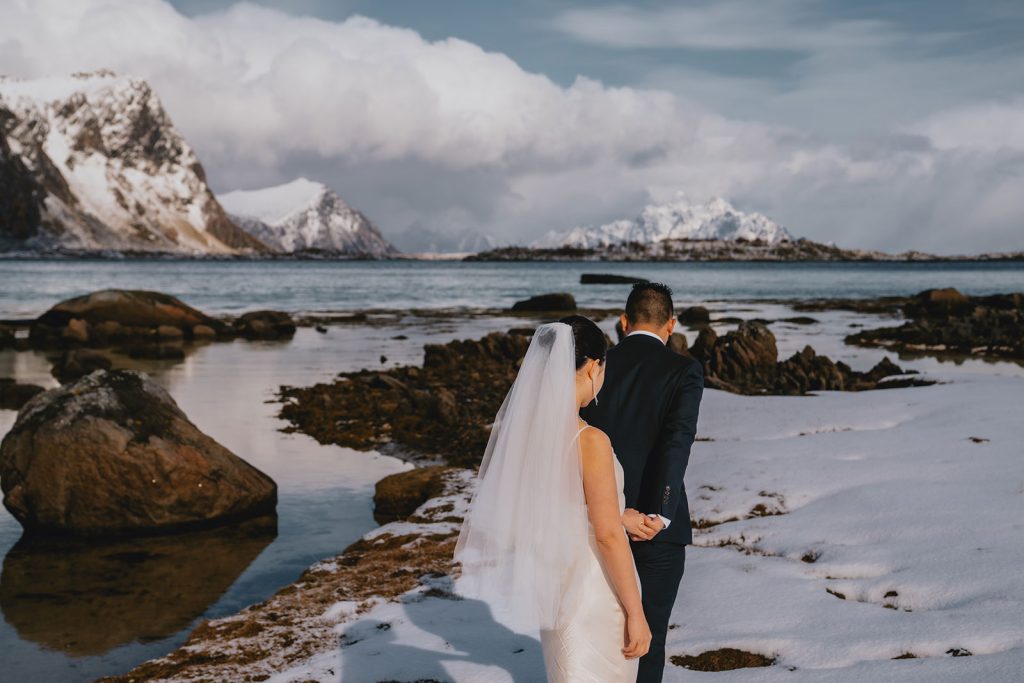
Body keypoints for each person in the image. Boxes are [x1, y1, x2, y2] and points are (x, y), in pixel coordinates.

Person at [455, 315, 651, 682]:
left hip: (558, 587)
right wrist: (636, 612)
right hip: (596, 589)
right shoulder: (591, 440)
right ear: (594, 366)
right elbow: (607, 537)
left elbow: (554, 506)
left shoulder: (528, 435)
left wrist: (619, 517)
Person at [581, 282, 705, 683]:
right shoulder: (684, 370)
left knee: (597, 634)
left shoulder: (595, 366)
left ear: (622, 321)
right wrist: (661, 513)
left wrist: (615, 513)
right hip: (657, 533)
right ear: (671, 324)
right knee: (647, 640)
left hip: (596, 519)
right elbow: (677, 443)